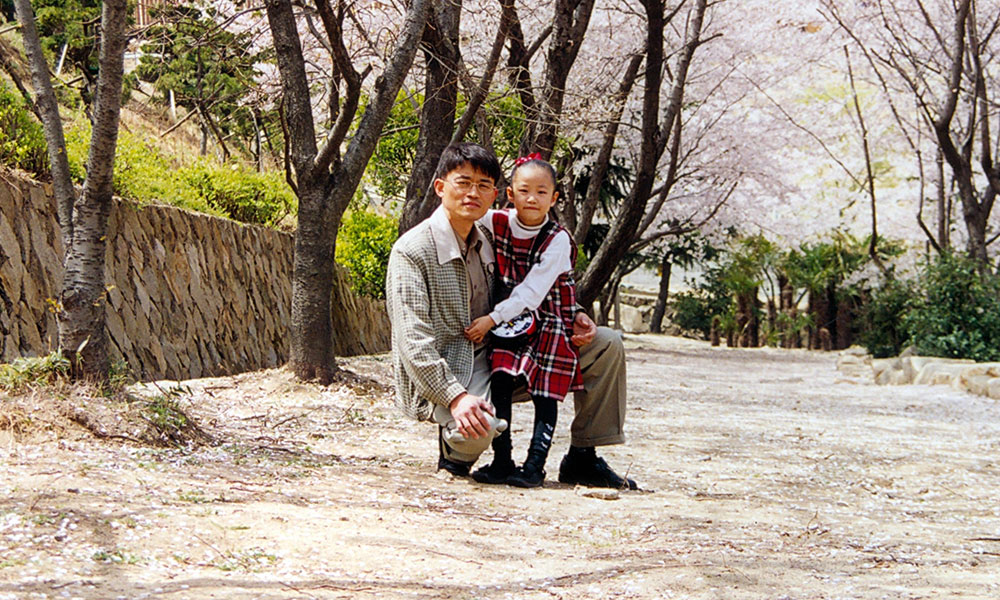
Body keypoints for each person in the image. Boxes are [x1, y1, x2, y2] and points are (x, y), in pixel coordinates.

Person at [385, 142, 637, 490]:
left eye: (483, 185)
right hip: (455, 366)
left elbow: (530, 285)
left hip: (504, 348)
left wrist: (575, 312)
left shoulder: (490, 233)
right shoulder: (412, 251)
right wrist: (455, 397)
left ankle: (583, 456)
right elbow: (412, 342)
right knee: (480, 428)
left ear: (494, 195)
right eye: (463, 182)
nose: (473, 193)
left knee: (606, 344)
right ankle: (455, 451)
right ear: (441, 187)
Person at [463, 154, 580, 488]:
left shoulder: (557, 239)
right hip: (511, 322)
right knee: (501, 379)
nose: (533, 198)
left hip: (549, 319)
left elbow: (532, 292)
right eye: (524, 190)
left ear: (554, 198)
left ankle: (535, 465)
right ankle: (502, 459)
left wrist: (490, 319)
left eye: (542, 192)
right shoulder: (495, 221)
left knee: (547, 392)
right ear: (510, 194)